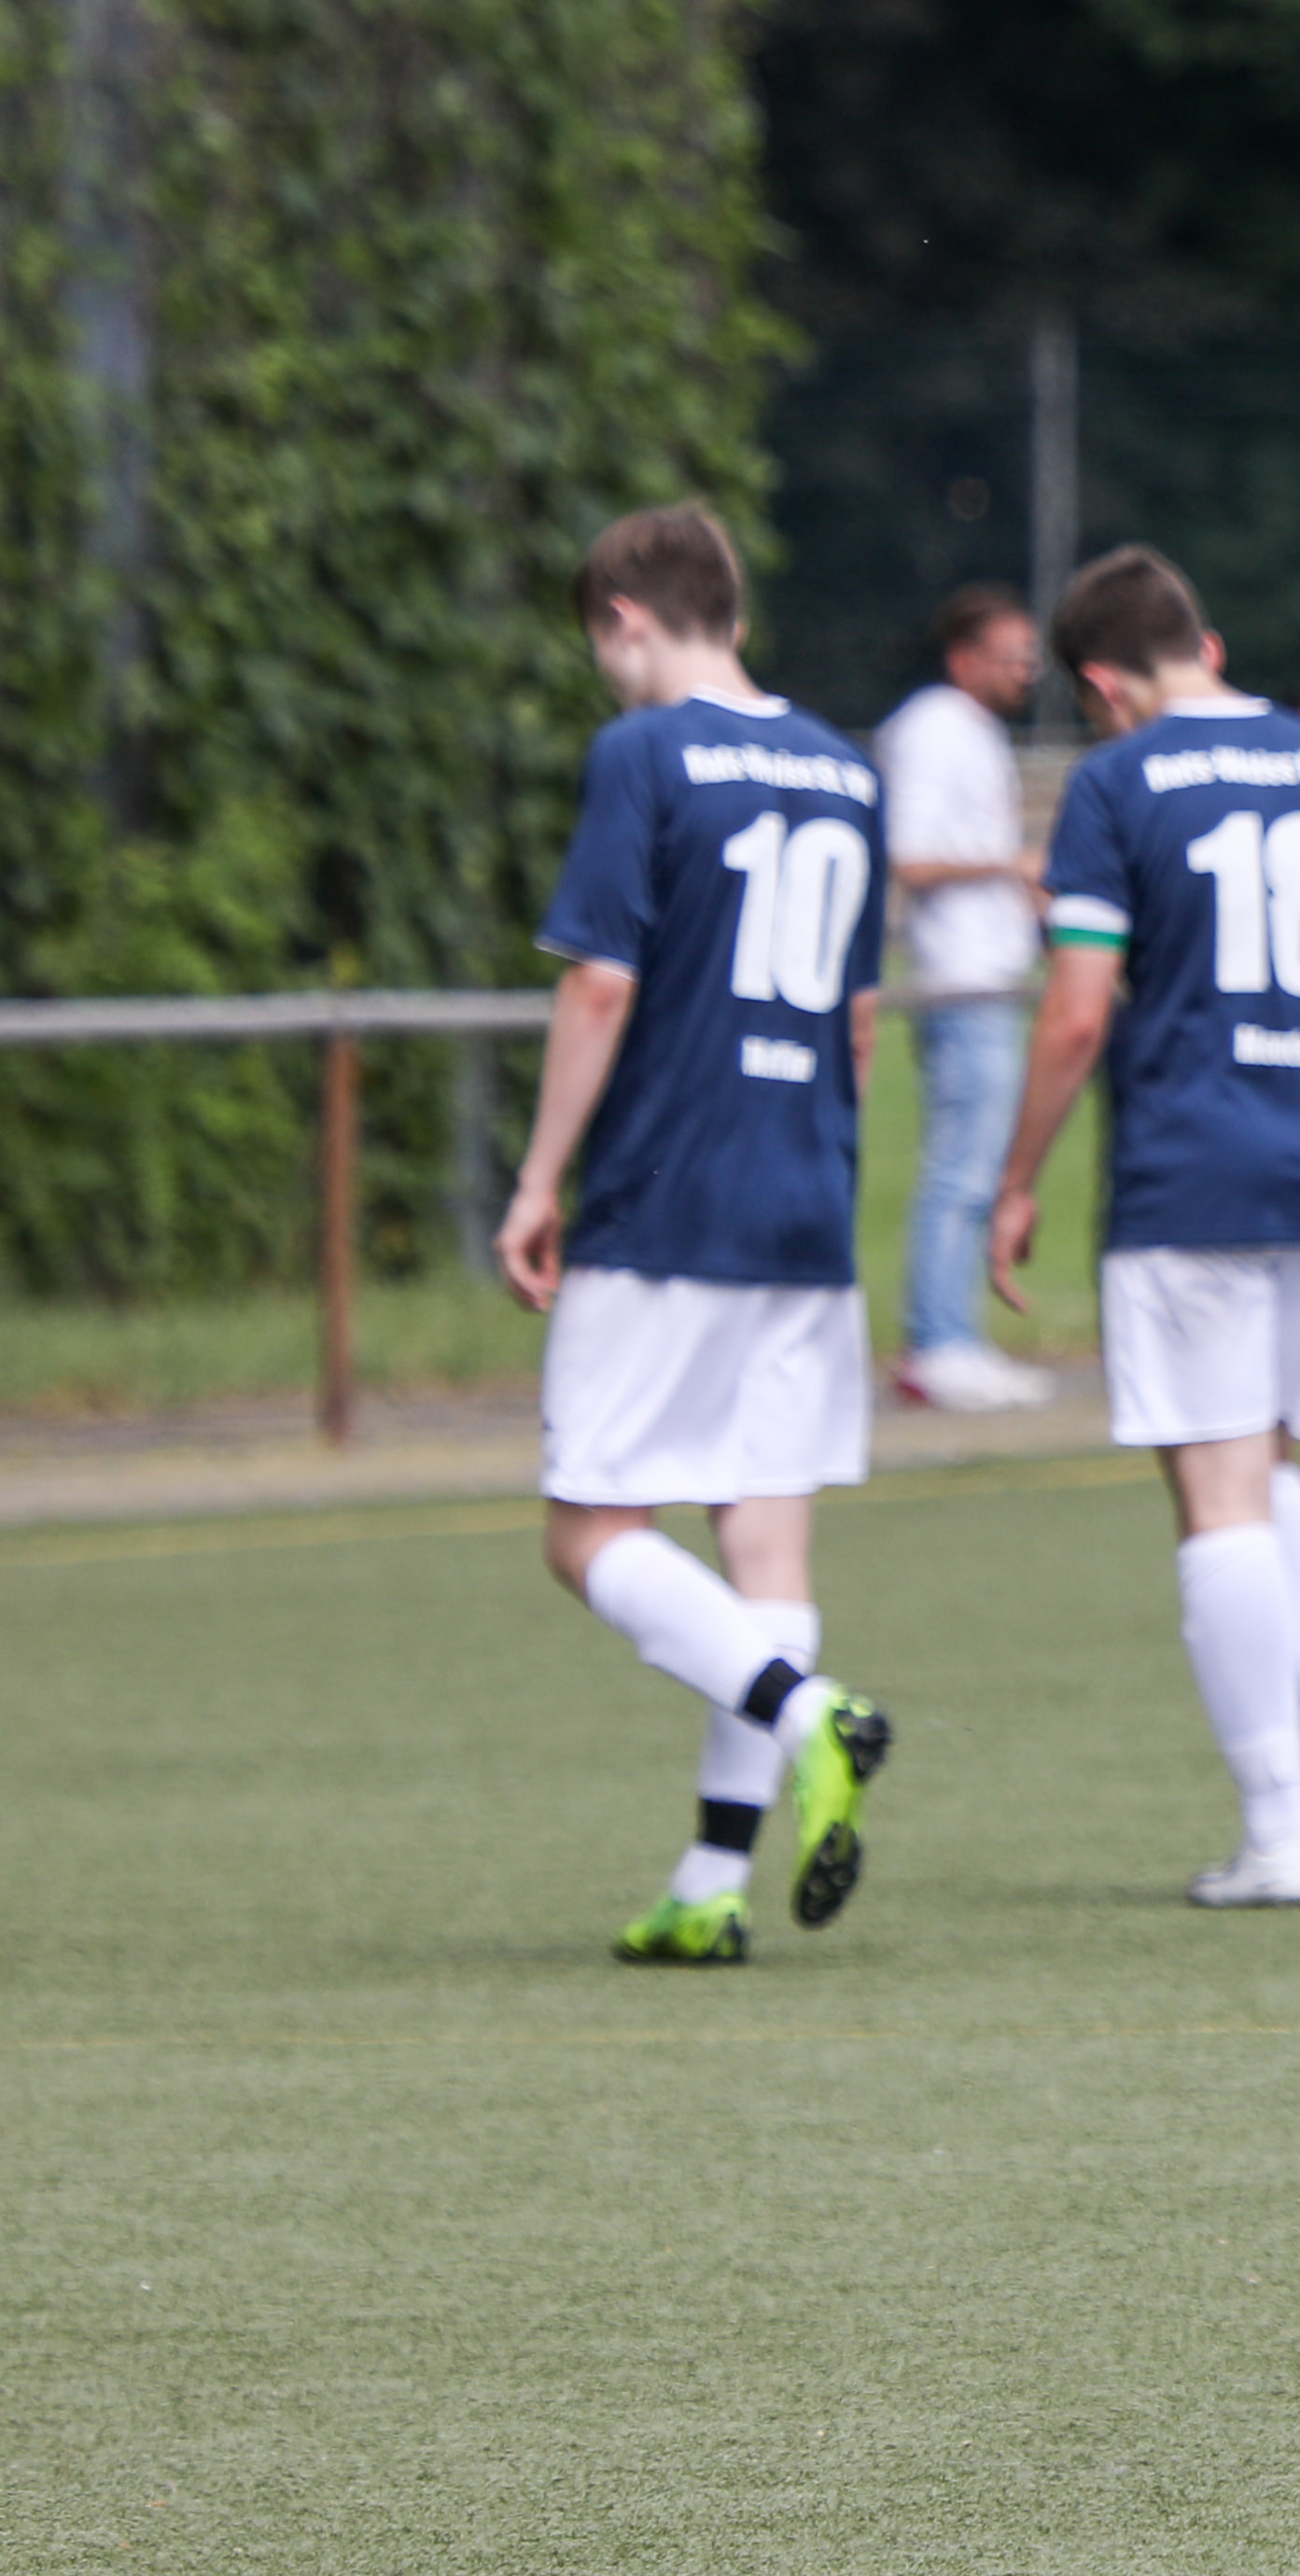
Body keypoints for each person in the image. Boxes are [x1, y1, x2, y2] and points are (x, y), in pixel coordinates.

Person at [989, 545, 1300, 1905]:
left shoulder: (1115, 782)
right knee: (1262, 1460)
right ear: (1207, 646)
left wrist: (1018, 1177)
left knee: (1215, 1494)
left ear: (1105, 686)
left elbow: (1077, 1012)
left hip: (1189, 1170)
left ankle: (1280, 1833)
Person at [497, 502, 897, 1967]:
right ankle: (713, 1881)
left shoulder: (645, 753)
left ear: (624, 619)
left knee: (589, 1531)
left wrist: (539, 1180)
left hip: (670, 1196)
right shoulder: (848, 770)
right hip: (805, 1200)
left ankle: (810, 1712)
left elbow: (601, 984)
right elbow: (859, 1020)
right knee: (763, 1542)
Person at [881, 582, 1058, 1414]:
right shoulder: (932, 729)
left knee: (979, 1167)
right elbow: (912, 856)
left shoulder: (974, 733)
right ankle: (938, 1341)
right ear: (963, 658)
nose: (1024, 671)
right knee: (963, 1169)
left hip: (991, 974)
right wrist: (1011, 865)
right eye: (1009, 656)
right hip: (959, 977)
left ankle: (954, 1335)